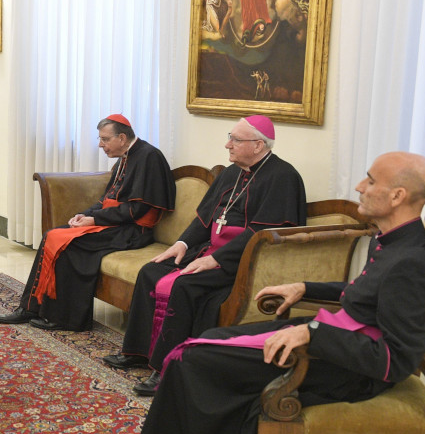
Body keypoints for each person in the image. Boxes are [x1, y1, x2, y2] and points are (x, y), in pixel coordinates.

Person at [127, 151, 425, 434]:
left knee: (193, 361)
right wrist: (305, 288)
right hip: (334, 342)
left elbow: (396, 360)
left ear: (397, 196)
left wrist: (314, 334)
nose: (360, 186)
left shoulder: (411, 261)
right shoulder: (396, 242)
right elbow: (367, 296)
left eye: (370, 180)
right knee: (204, 341)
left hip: (347, 367)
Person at [102, 115, 306, 395]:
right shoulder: (232, 172)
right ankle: (137, 352)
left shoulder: (283, 177)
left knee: (185, 285)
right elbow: (206, 218)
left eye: (235, 139)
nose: (227, 145)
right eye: (230, 137)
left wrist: (217, 259)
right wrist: (182, 244)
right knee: (151, 271)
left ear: (258, 145)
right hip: (207, 250)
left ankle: (168, 367)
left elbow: (261, 234)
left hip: (243, 261)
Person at [0, 114, 175, 331]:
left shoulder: (149, 157)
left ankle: (66, 318)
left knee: (68, 244)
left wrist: (95, 219)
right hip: (114, 224)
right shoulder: (124, 157)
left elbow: (137, 211)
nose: (101, 145)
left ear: (121, 137)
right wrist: (84, 215)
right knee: (52, 235)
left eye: (105, 139)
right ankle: (31, 307)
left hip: (133, 231)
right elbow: (106, 198)